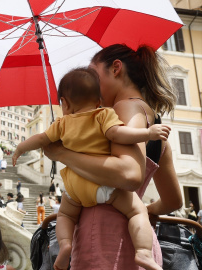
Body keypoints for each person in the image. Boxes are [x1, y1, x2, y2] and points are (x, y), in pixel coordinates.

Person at [40, 44, 182, 269]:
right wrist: (144, 211)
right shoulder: (154, 125)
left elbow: (129, 173)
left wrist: (61, 153)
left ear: (116, 69)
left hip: (105, 241)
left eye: (93, 76)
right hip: (138, 245)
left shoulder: (122, 109)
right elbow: (174, 200)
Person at [13, 67, 170, 270]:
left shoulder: (61, 123)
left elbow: (41, 139)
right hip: (105, 187)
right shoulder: (104, 114)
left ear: (64, 103)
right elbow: (118, 135)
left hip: (75, 188)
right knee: (137, 212)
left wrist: (20, 148)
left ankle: (65, 245)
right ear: (98, 101)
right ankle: (143, 253)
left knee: (65, 216)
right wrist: (147, 133)